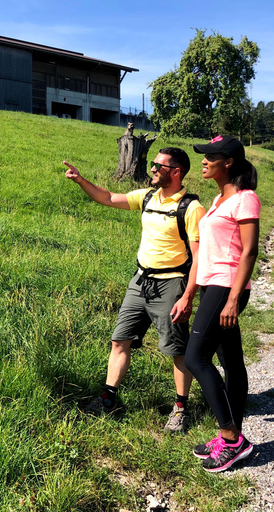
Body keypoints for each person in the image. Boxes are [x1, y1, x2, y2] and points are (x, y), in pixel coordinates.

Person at [64, 147, 205, 433]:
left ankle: (180, 408)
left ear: (176, 172)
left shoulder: (191, 208)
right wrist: (81, 180)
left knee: (176, 349)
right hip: (140, 282)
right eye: (152, 165)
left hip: (172, 283)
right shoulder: (148, 196)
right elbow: (107, 197)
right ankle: (108, 398)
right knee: (120, 340)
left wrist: (188, 295)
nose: (152, 169)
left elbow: (200, 257)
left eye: (158, 166)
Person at [185, 135, 260, 472]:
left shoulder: (245, 199)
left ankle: (231, 437)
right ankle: (234, 435)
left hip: (226, 287)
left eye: (209, 156)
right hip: (212, 285)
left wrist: (233, 298)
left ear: (228, 162)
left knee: (195, 358)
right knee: (230, 360)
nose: (203, 160)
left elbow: (249, 251)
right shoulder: (219, 199)